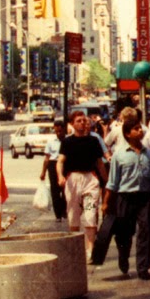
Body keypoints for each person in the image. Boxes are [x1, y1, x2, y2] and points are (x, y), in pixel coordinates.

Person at [104, 118, 150, 281]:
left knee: (145, 231)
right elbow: (112, 182)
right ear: (128, 134)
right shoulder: (119, 155)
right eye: (136, 129)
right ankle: (123, 259)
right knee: (124, 234)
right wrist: (106, 203)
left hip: (144, 198)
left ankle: (143, 268)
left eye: (141, 128)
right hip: (124, 198)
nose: (140, 131)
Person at [57, 111, 108, 262]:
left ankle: (90, 250)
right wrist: (60, 176)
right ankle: (75, 249)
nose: (82, 123)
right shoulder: (67, 142)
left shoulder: (93, 141)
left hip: (90, 179)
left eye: (83, 120)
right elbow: (60, 161)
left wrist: (107, 182)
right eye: (78, 121)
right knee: (73, 216)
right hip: (73, 179)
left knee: (91, 215)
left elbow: (99, 163)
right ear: (72, 124)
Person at [40, 119, 67, 222]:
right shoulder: (51, 142)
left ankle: (64, 209)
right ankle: (58, 215)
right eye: (57, 131)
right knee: (55, 191)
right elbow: (47, 158)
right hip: (53, 165)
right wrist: (43, 172)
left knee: (65, 190)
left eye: (60, 131)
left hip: (65, 165)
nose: (59, 133)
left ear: (64, 129)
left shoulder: (68, 140)